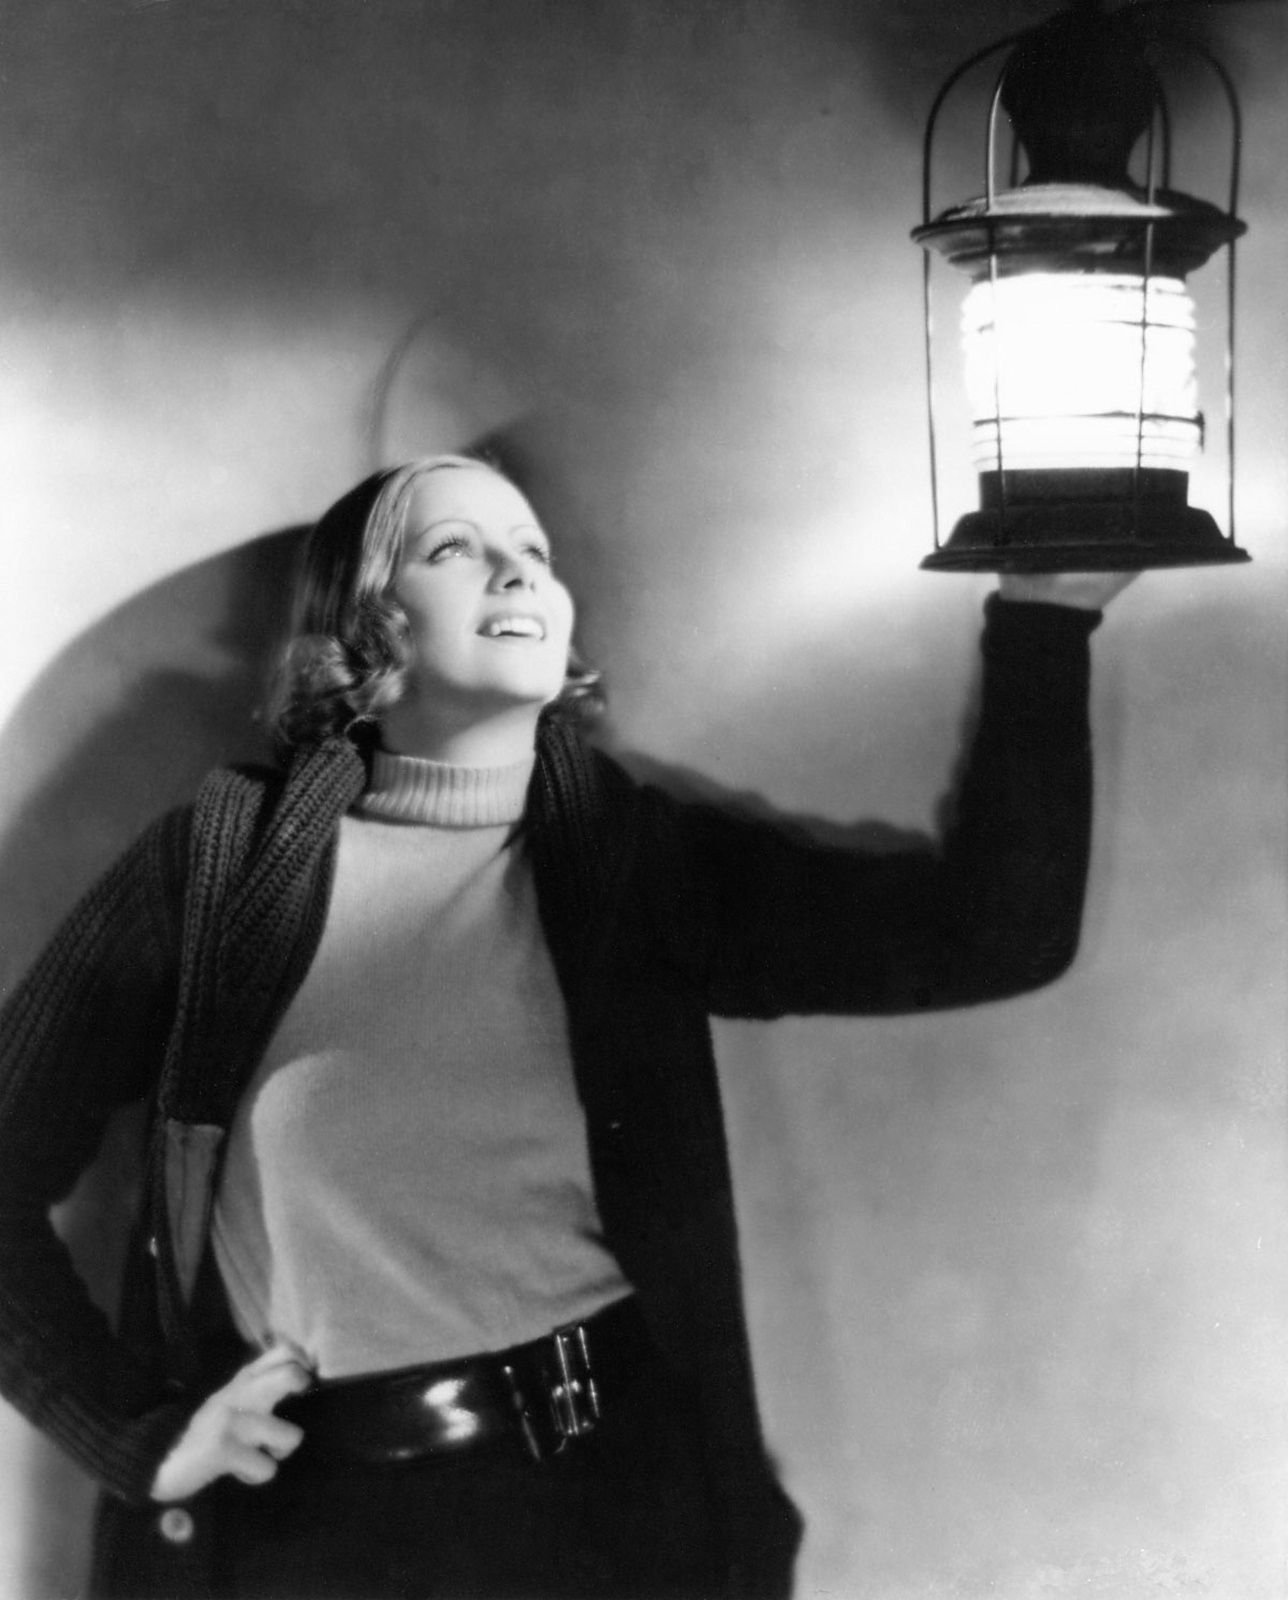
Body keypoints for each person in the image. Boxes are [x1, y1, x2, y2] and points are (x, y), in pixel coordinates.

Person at [0, 453, 1132, 1600]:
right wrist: (137, 1440)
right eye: (454, 548)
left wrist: (1044, 618)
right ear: (362, 626)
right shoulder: (216, 869)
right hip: (319, 1534)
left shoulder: (634, 862)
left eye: (532, 552)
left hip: (617, 1510)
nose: (517, 573)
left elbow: (988, 934)